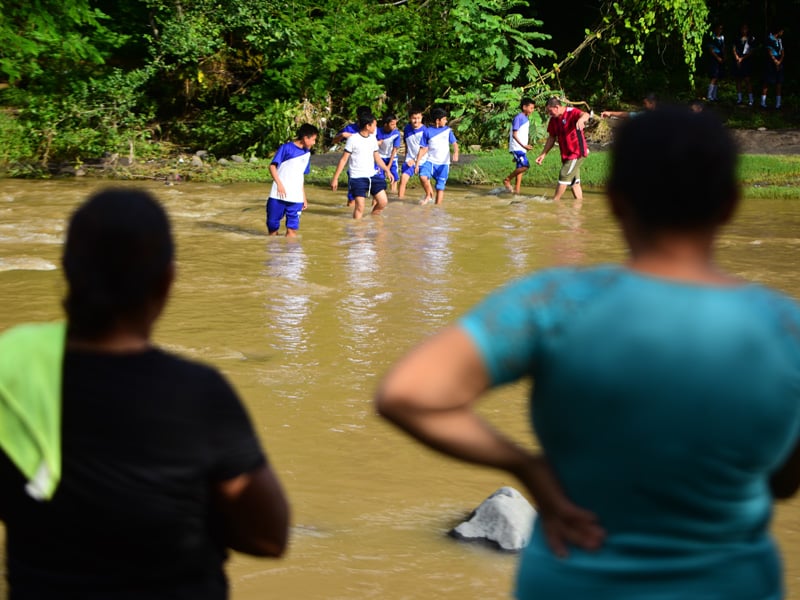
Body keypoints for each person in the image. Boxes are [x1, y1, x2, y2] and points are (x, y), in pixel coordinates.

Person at [375, 107, 800, 599]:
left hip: (577, 581)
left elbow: (407, 394)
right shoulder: (784, 326)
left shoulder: (553, 303)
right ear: (730, 203)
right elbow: (785, 482)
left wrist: (526, 466)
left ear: (617, 201)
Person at [0, 188, 290, 599]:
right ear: (167, 280)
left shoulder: (10, 373)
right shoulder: (198, 393)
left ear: (66, 270)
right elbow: (268, 538)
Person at [331, 112, 395, 219]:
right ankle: (357, 232)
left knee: (383, 202)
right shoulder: (353, 139)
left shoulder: (372, 139)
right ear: (367, 126)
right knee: (360, 207)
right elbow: (343, 160)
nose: (376, 127)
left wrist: (387, 170)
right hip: (357, 177)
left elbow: (377, 157)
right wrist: (335, 178)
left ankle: (372, 220)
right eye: (374, 125)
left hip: (372, 175)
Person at [266, 123, 319, 237]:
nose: (314, 143)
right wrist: (279, 184)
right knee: (273, 229)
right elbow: (272, 166)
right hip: (277, 195)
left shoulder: (307, 154)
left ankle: (292, 254)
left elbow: (300, 176)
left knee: (292, 230)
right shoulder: (286, 148)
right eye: (313, 140)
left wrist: (303, 197)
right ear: (305, 138)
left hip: (296, 197)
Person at [535, 97, 590, 203]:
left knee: (564, 175)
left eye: (550, 111)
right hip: (565, 154)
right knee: (574, 182)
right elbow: (551, 138)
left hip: (577, 152)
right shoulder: (553, 120)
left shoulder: (571, 112)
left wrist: (582, 119)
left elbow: (585, 114)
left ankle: (555, 202)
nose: (549, 114)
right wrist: (543, 154)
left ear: (557, 107)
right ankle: (579, 205)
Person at [415, 107, 459, 205]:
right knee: (423, 176)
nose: (446, 121)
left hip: (444, 164)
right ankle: (429, 195)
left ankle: (437, 208)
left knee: (440, 187)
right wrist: (417, 163)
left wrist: (456, 152)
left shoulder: (448, 131)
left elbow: (455, 143)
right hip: (430, 161)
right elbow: (423, 148)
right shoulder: (427, 131)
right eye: (444, 119)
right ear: (437, 120)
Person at [332, 105, 372, 207]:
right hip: (355, 168)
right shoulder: (350, 128)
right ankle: (353, 221)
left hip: (371, 167)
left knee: (377, 197)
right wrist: (342, 135)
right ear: (358, 117)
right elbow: (334, 141)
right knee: (352, 200)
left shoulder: (372, 128)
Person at [398, 108, 432, 201]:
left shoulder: (425, 131)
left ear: (422, 118)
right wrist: (407, 158)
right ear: (409, 118)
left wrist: (415, 161)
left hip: (424, 160)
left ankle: (430, 198)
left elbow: (425, 148)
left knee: (425, 180)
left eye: (418, 118)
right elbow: (407, 145)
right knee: (403, 179)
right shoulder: (407, 129)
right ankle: (399, 202)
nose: (416, 121)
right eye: (414, 118)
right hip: (410, 159)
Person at [504, 98, 536, 194]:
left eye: (533, 108)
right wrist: (524, 146)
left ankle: (517, 191)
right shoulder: (518, 118)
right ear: (524, 107)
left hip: (521, 148)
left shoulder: (525, 118)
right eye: (531, 108)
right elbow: (514, 134)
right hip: (517, 147)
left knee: (520, 169)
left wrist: (525, 146)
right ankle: (507, 179)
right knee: (525, 166)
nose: (532, 110)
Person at [377, 113, 401, 195]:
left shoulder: (396, 134)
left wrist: (389, 166)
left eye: (395, 124)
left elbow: (394, 150)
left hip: (392, 157)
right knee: (380, 178)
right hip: (379, 157)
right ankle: (380, 194)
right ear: (385, 124)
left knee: (394, 177)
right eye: (392, 124)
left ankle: (393, 195)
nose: (395, 126)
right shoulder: (377, 131)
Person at [761, 25, 785, 109]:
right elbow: (769, 51)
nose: (782, 33)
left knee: (779, 82)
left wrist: (779, 61)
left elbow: (782, 51)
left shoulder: (780, 40)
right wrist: (774, 61)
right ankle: (763, 102)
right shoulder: (769, 38)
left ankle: (778, 104)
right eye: (781, 31)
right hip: (771, 61)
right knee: (767, 81)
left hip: (779, 60)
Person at [732, 24, 755, 106]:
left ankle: (751, 100)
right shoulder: (737, 38)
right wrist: (737, 58)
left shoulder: (751, 39)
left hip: (746, 61)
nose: (744, 30)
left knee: (747, 80)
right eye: (742, 28)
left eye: (745, 28)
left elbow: (751, 51)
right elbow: (733, 48)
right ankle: (739, 99)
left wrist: (742, 58)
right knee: (738, 80)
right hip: (738, 61)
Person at [706, 23, 726, 102]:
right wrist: (717, 58)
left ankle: (714, 96)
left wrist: (724, 56)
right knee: (714, 76)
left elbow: (723, 47)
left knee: (717, 77)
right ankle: (709, 95)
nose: (720, 30)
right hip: (714, 57)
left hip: (720, 56)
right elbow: (710, 49)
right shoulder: (712, 37)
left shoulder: (722, 38)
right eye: (719, 28)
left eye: (721, 29)